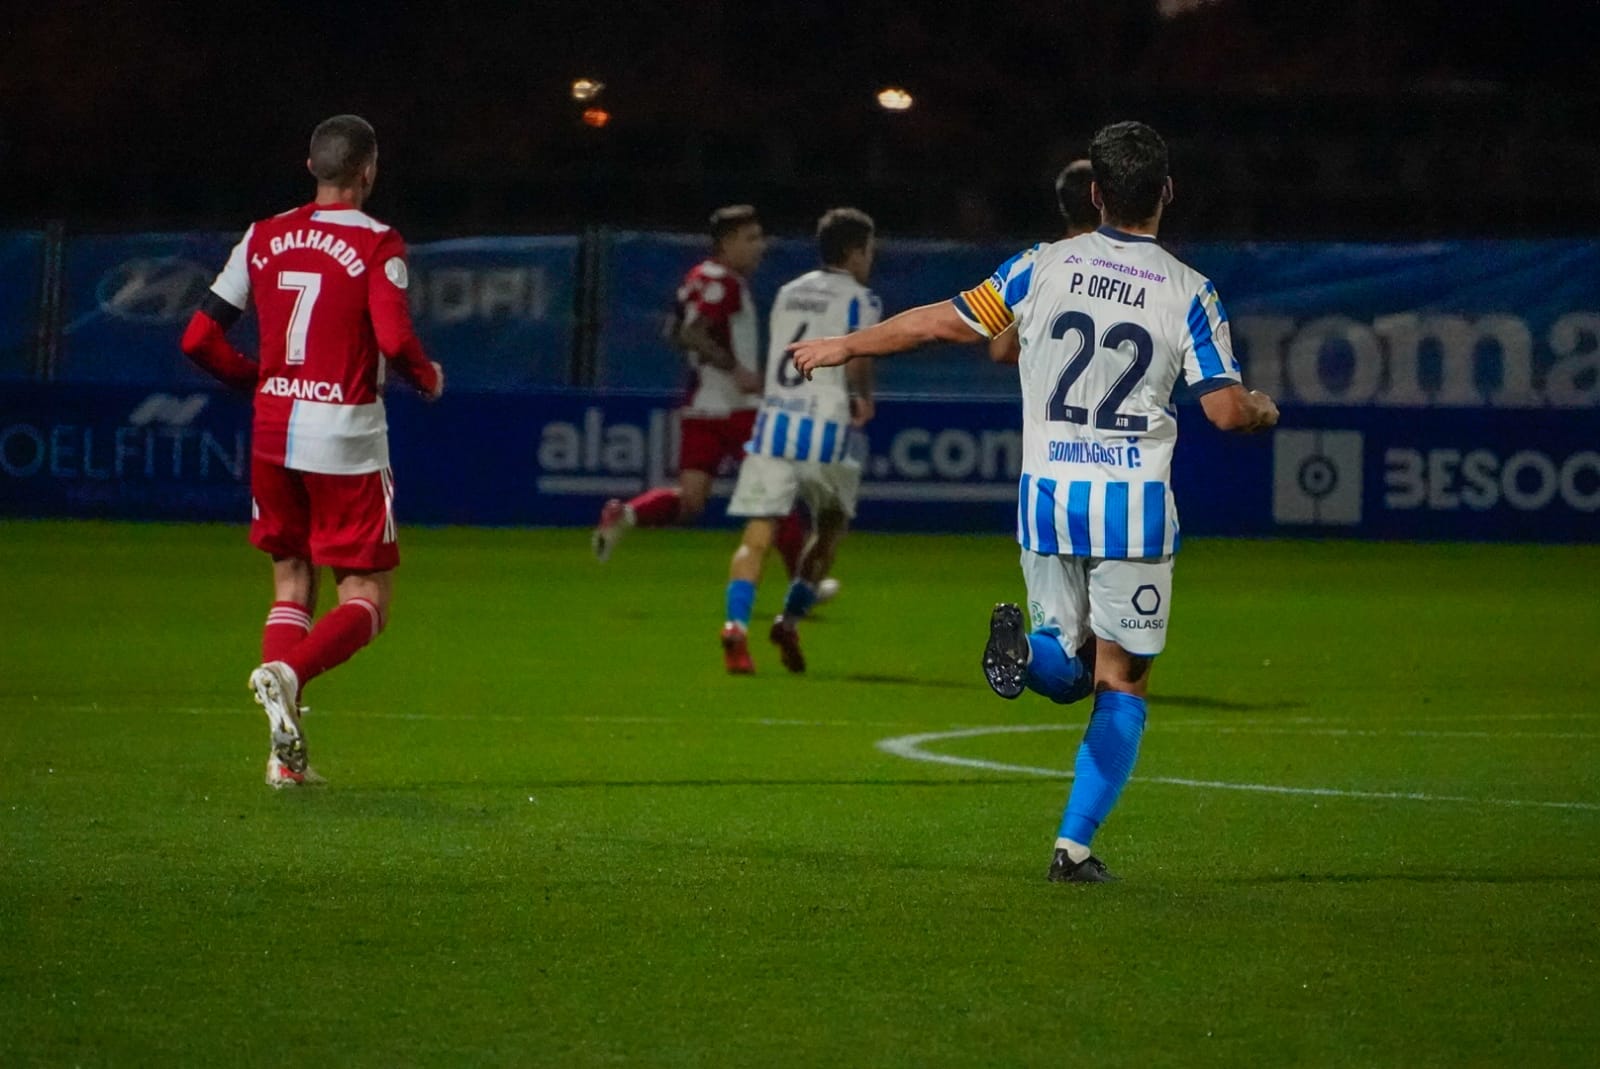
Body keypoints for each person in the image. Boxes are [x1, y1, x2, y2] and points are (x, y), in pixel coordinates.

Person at [791, 121, 1279, 882]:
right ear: (1167, 192)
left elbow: (941, 322)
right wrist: (1260, 408)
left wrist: (844, 345)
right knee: (1121, 681)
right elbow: (1223, 411)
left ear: (1096, 194)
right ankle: (1072, 848)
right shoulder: (1190, 290)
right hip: (1131, 507)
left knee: (1068, 665)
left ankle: (1028, 654)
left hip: (1048, 497)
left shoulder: (1040, 265)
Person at [180, 114, 444, 788]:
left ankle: (282, 760)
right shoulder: (378, 241)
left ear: (310, 167)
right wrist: (426, 376)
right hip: (345, 435)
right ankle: (289, 673)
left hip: (274, 430)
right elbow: (394, 337)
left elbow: (198, 339)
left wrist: (259, 382)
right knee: (367, 598)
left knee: (292, 581)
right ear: (368, 171)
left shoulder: (262, 236)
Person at [720, 208, 879, 674]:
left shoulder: (787, 292)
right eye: (869, 251)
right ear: (854, 253)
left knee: (757, 536)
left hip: (773, 426)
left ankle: (735, 626)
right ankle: (788, 621)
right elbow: (858, 357)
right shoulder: (862, 299)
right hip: (825, 430)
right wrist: (862, 398)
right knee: (829, 528)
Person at [988, 159, 1097, 366]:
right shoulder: (1134, 267)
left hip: (1050, 384)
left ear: (1062, 206)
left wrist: (1050, 363)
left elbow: (1000, 349)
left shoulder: (1033, 265)